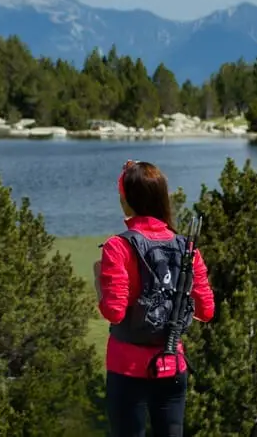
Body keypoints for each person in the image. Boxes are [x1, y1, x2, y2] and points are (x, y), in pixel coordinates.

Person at [93, 159, 215, 437]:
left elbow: (114, 312)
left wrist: (99, 282)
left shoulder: (118, 246)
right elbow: (206, 311)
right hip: (172, 364)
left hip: (127, 369)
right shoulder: (186, 247)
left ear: (126, 201)